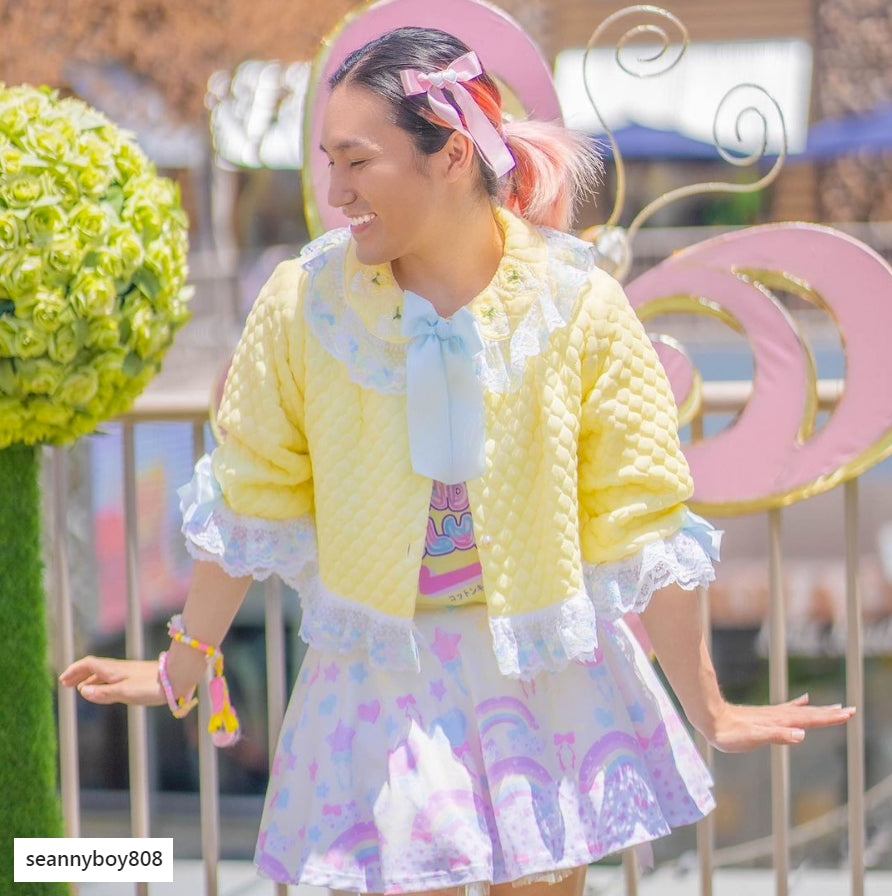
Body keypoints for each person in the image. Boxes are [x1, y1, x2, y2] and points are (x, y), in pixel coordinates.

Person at [61, 26, 854, 896]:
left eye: (357, 161)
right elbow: (251, 493)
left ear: (450, 155)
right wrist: (183, 661)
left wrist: (710, 705)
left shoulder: (576, 304)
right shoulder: (305, 304)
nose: (336, 190)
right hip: (385, 682)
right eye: (329, 163)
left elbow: (641, 518)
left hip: (542, 675)